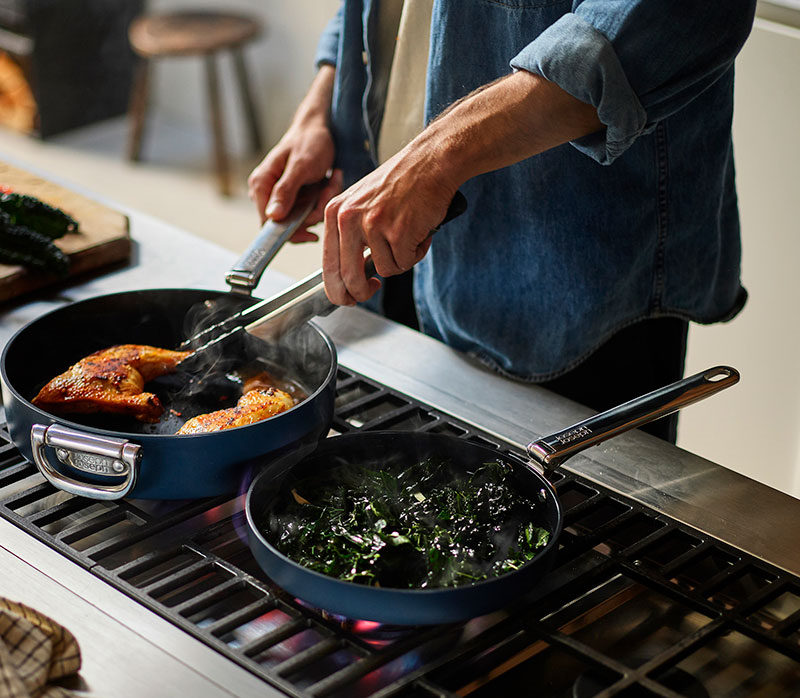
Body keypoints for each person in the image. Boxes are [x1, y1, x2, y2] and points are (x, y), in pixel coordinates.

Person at [248, 1, 756, 442]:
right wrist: (322, 99)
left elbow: (671, 13)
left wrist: (434, 158)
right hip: (394, 224)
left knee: (573, 533)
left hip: (575, 276)